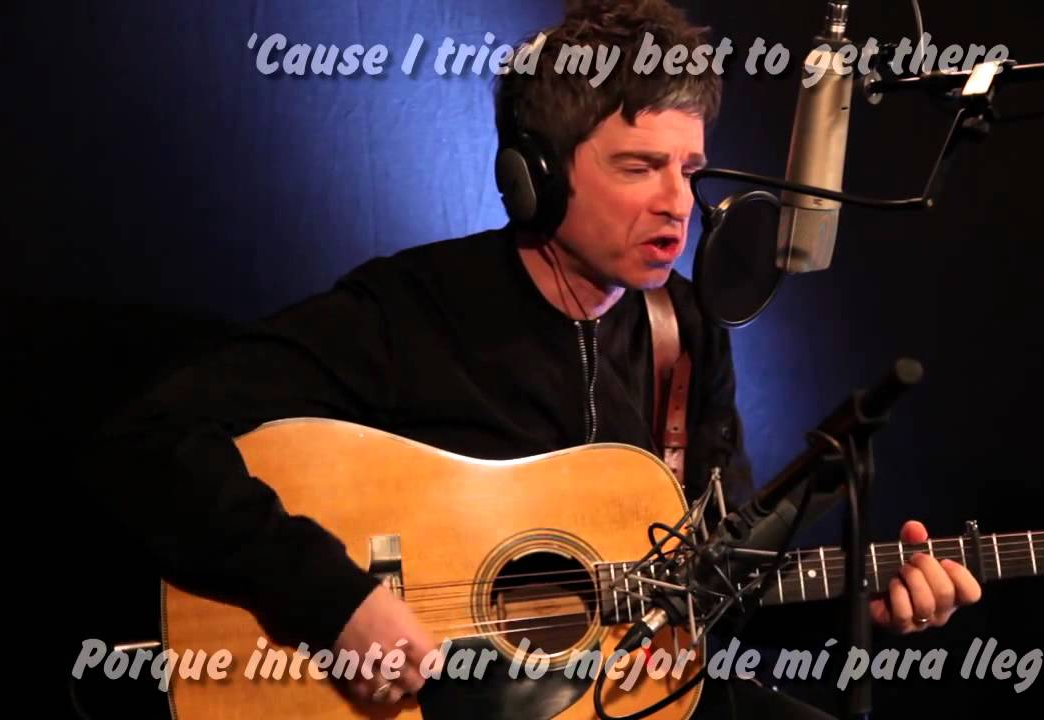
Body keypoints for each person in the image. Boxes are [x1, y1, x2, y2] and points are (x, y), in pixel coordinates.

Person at [83, 1, 981, 717]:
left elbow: (714, 587)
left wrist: (869, 600)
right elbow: (150, 440)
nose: (680, 204)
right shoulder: (409, 311)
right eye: (640, 167)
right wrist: (333, 599)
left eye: (689, 169)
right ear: (535, 177)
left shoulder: (686, 330)